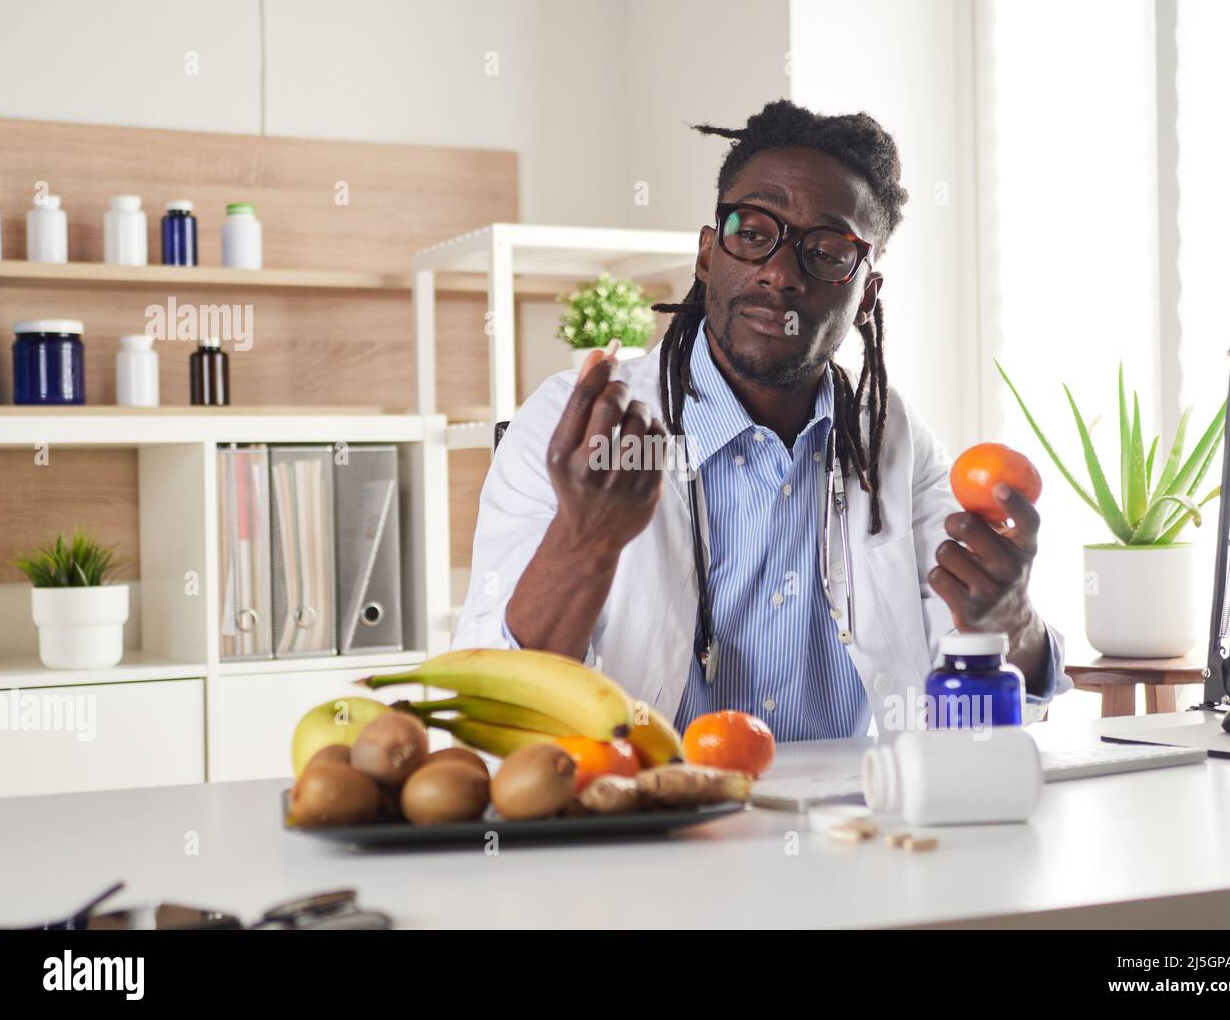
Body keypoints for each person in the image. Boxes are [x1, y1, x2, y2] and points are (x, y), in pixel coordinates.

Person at [453, 99, 1070, 741]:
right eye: (752, 233)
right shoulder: (576, 426)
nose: (778, 274)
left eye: (828, 252)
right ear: (705, 254)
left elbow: (979, 700)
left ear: (867, 296)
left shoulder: (893, 445)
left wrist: (1011, 623)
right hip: (647, 823)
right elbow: (490, 711)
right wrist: (585, 538)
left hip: (859, 825)